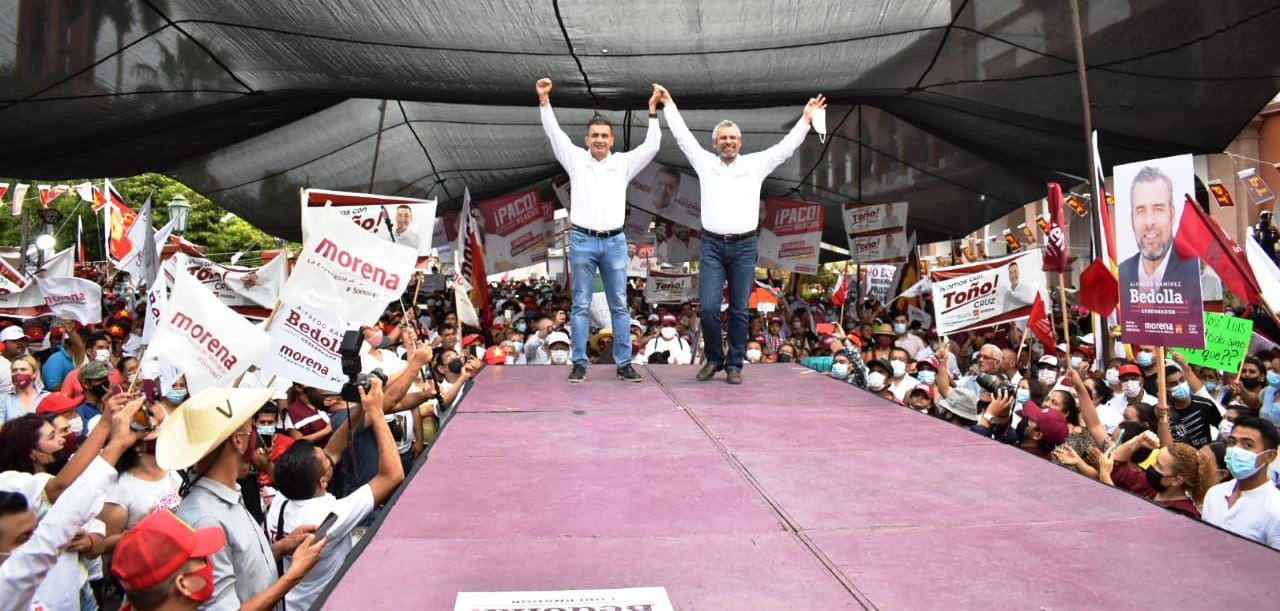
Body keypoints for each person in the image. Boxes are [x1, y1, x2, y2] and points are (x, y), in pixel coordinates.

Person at [656, 84, 825, 385]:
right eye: (723, 138)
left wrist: (805, 120)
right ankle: (713, 359)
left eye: (733, 138)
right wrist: (668, 104)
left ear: (740, 142)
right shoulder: (704, 163)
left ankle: (734, 364)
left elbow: (785, 149)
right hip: (711, 246)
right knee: (709, 308)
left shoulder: (755, 164)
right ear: (715, 143)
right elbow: (683, 138)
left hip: (745, 247)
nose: (728, 142)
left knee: (739, 310)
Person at [537, 77, 661, 384]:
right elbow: (554, 134)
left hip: (615, 241)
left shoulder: (623, 163)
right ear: (586, 139)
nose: (600, 140)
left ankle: (624, 364)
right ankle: (579, 363)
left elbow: (653, 146)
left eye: (605, 135)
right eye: (595, 135)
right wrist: (544, 101)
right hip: (582, 239)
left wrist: (653, 113)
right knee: (580, 304)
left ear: (612, 140)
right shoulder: (576, 160)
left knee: (619, 305)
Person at [161, 387, 325, 610]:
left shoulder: (227, 495)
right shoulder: (206, 519)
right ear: (238, 441)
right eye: (251, 431)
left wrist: (280, 548)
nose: (256, 438)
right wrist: (293, 575)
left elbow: (239, 566)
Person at [267, 377, 404, 610]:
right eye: (325, 460)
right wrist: (377, 413)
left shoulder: (282, 498)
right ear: (323, 481)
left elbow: (333, 449)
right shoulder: (329, 516)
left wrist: (359, 409)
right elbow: (391, 476)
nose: (329, 455)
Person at [1117, 166, 1200, 297]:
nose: (1149, 222)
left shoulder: (1194, 271)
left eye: (1158, 209)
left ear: (1172, 215)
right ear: (1132, 220)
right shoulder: (1121, 272)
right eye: (1141, 211)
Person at [1092, 431, 1217, 519]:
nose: (1152, 467)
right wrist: (1137, 441)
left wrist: (1105, 478)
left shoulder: (1184, 514)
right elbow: (1116, 469)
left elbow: (1129, 522)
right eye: (1155, 461)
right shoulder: (1148, 485)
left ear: (1176, 480)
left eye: (1159, 466)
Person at [1200, 416, 1280, 549]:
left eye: (1247, 445)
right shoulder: (1215, 493)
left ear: (1269, 456)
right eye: (1232, 442)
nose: (1235, 450)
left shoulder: (1275, 508)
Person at [1, 355, 50, 424]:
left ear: (34, 374)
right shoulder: (3, 399)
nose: (18, 373)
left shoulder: (47, 397)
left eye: (23, 369)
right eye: (14, 370)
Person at [0, 325, 29, 395]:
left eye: (23, 340)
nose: (20, 343)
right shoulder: (2, 365)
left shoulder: (27, 362)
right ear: (3, 344)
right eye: (14, 340)